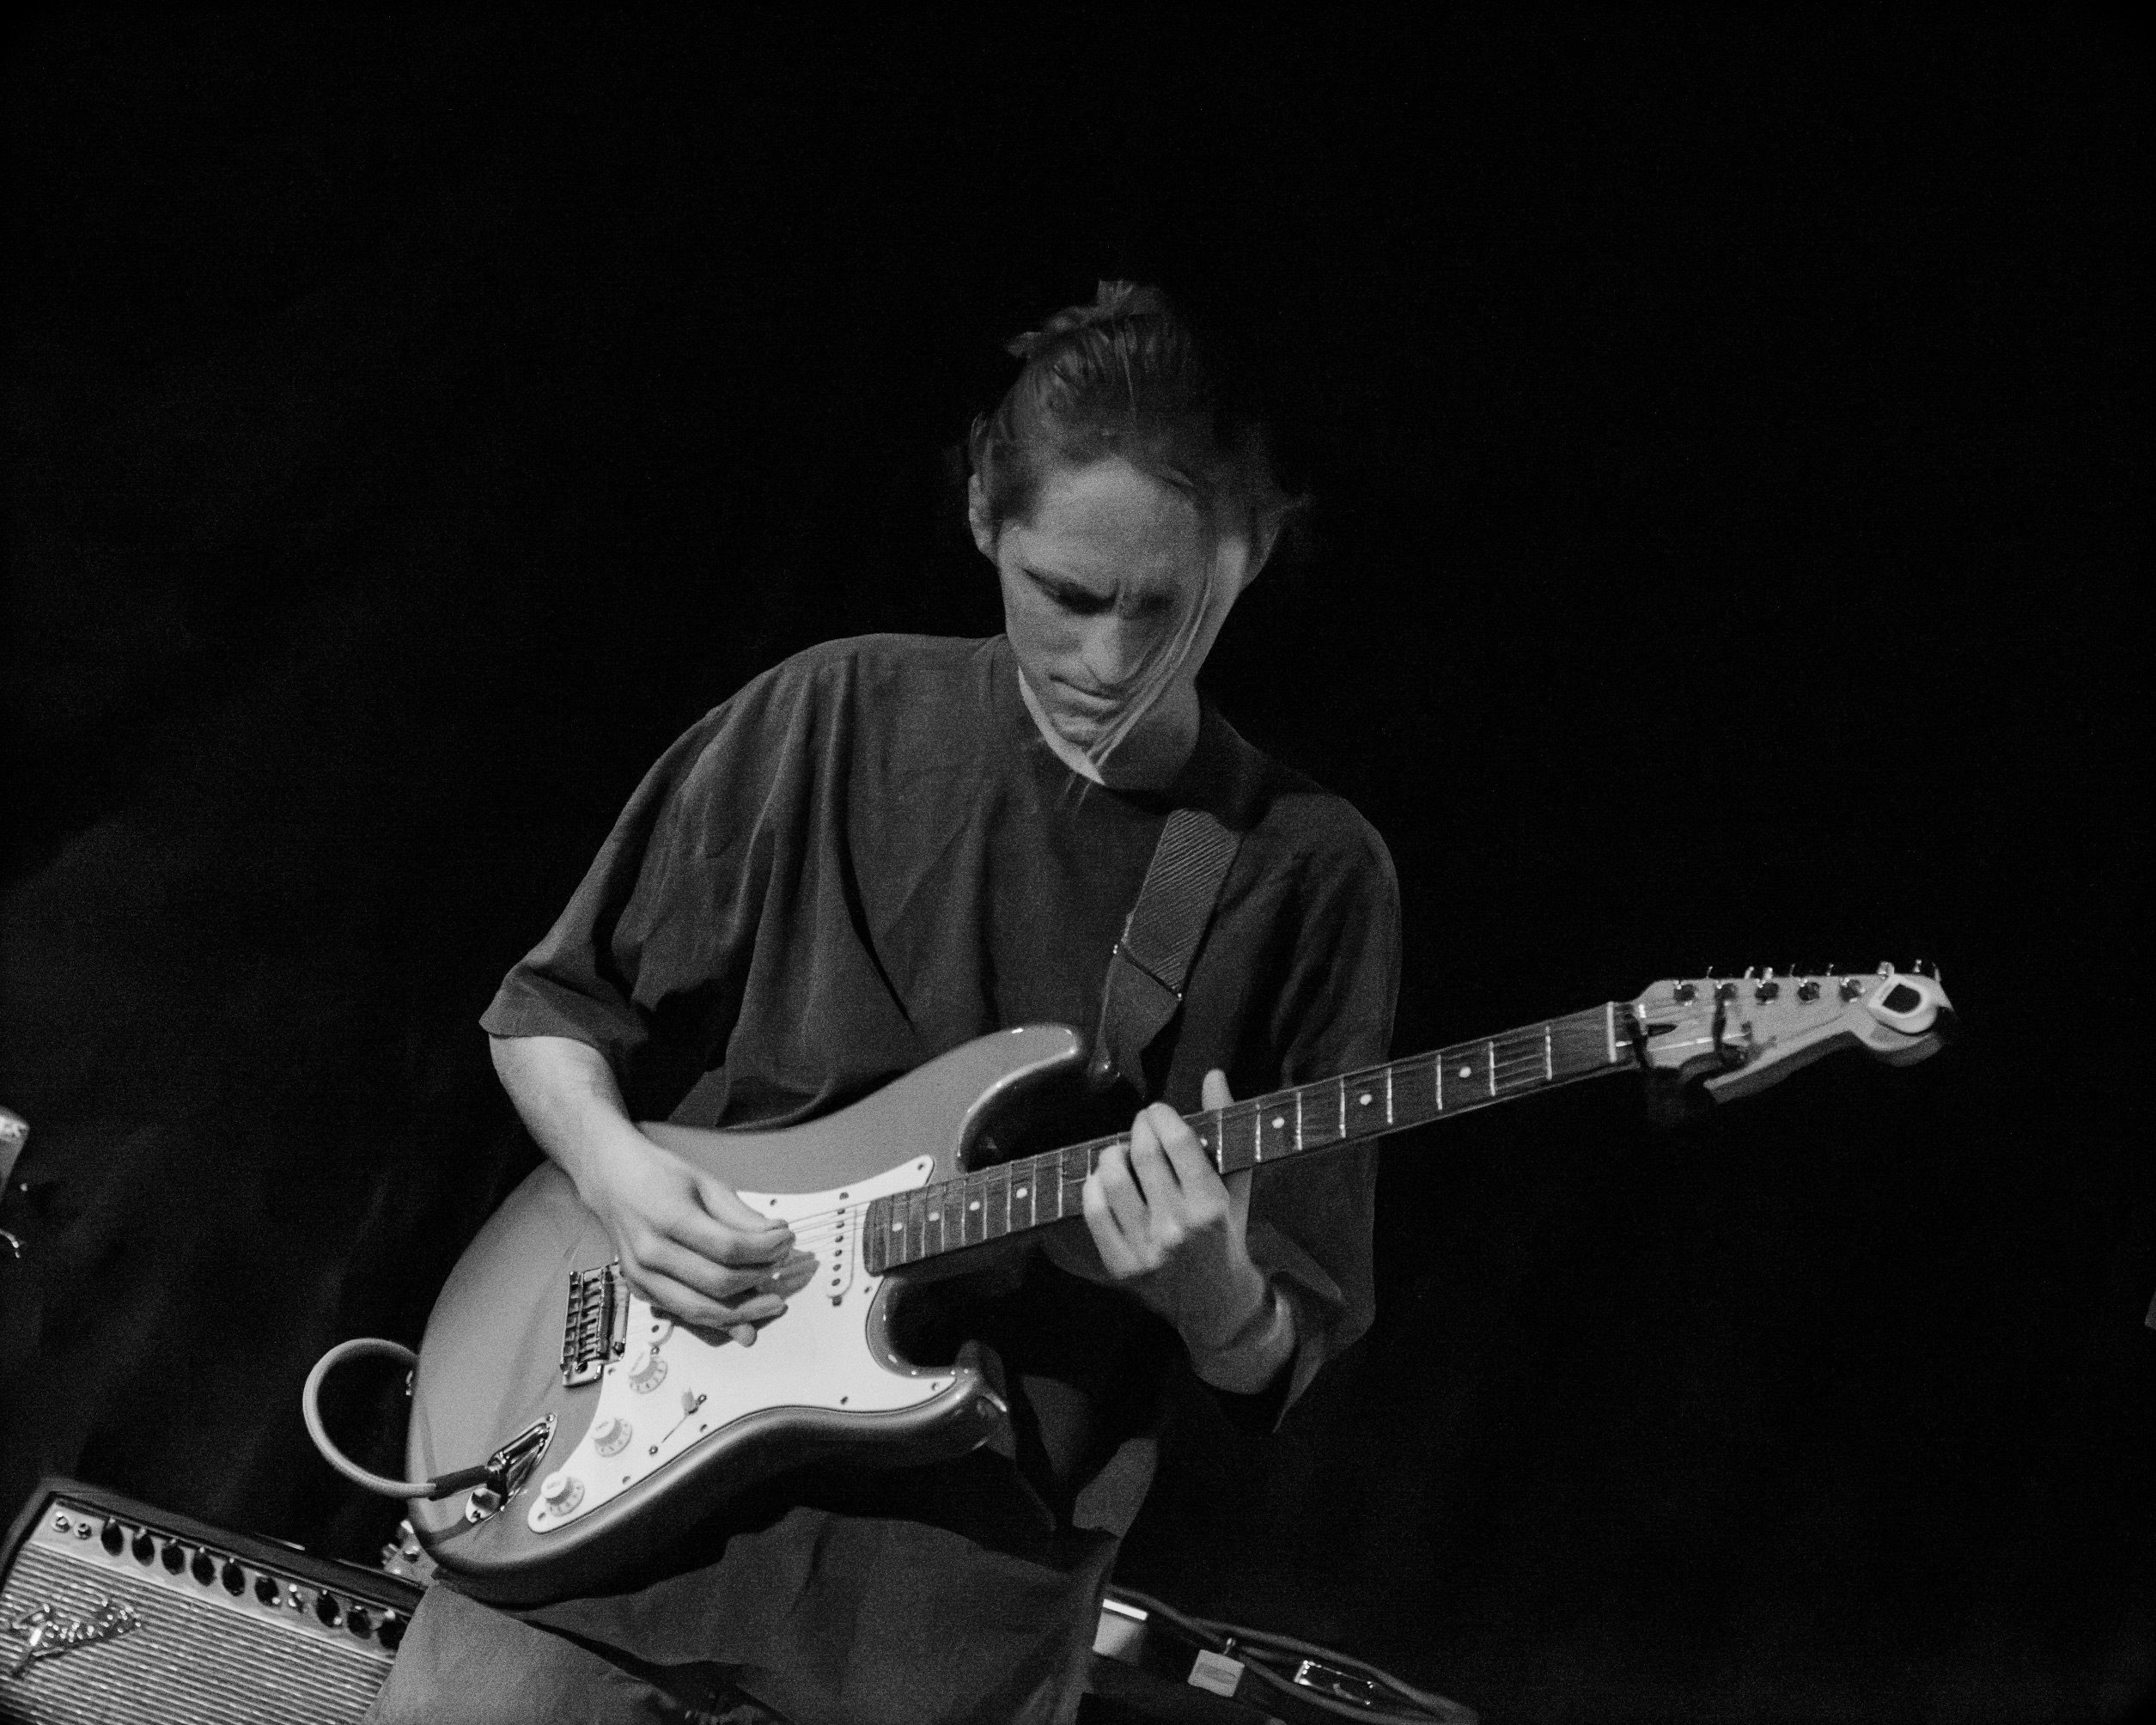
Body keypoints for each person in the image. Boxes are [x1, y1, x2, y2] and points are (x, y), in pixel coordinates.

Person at [365, 281, 1401, 1725]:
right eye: (1063, 593)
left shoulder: (1308, 873)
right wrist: (618, 1179)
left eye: (1164, 604)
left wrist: (1208, 1290)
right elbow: (549, 1011)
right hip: (605, 1527)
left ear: (1259, 547)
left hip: (943, 1621)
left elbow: (1278, 1351)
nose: (1106, 662)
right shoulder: (833, 710)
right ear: (983, 514)